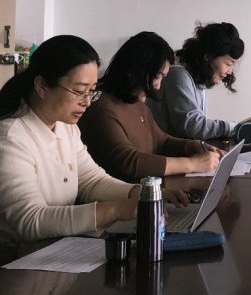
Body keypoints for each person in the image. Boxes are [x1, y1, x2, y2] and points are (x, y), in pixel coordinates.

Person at [0, 35, 185, 268]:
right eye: (79, 91)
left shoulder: (65, 126)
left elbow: (91, 180)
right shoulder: (6, 139)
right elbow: (31, 220)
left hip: (54, 252)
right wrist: (116, 209)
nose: (87, 102)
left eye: (92, 92)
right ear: (41, 86)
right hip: (9, 266)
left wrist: (140, 194)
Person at [79, 32, 223, 183]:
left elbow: (161, 142)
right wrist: (193, 164)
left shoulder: (137, 103)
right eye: (156, 77)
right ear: (133, 70)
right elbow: (129, 162)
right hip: (122, 195)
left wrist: (192, 146)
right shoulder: (101, 106)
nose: (158, 86)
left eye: (162, 77)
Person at [147, 22, 244, 139]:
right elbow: (193, 127)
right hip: (164, 149)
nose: (230, 71)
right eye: (228, 64)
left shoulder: (198, 76)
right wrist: (233, 128)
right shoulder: (178, 75)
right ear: (208, 57)